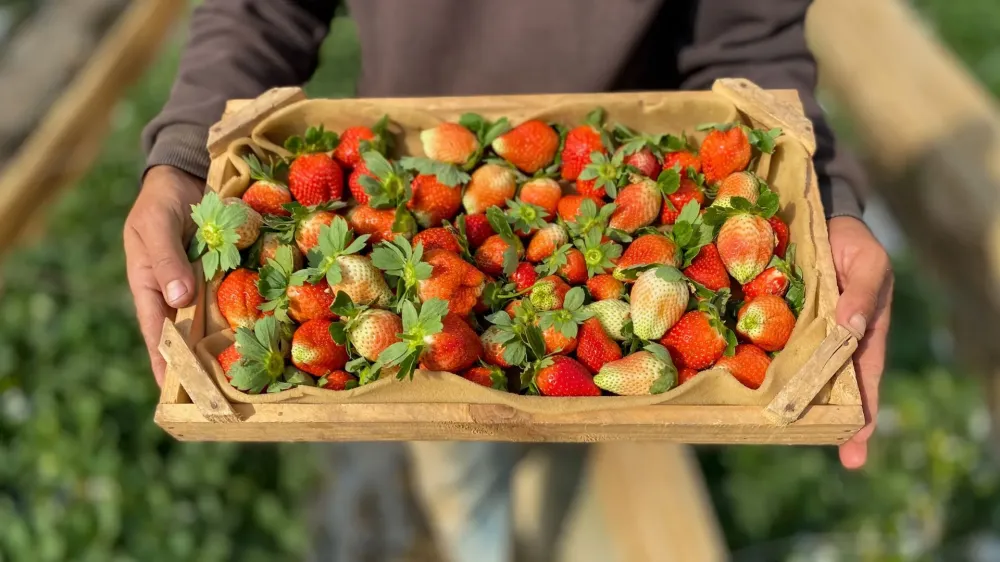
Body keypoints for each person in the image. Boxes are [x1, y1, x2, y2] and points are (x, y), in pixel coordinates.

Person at [126, 1, 893, 560]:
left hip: (620, 149)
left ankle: (528, 494)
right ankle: (481, 542)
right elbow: (257, 9)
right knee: (459, 460)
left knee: (573, 419)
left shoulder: (605, 294)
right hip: (417, 163)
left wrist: (820, 194)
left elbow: (751, 35)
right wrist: (191, 145)